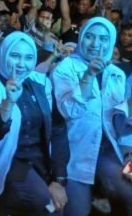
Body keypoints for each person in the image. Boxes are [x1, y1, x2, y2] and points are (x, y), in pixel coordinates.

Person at [0, 32, 70, 215]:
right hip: (7, 160)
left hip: (39, 157)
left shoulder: (41, 82)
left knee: (58, 205)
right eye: (15, 56)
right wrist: (8, 103)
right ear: (3, 54)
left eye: (29, 57)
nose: (22, 64)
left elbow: (57, 129)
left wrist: (59, 178)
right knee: (46, 202)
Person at [52, 17, 132, 216]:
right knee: (76, 212)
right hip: (74, 154)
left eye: (103, 39)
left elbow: (121, 118)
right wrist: (88, 75)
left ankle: (101, 191)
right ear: (81, 38)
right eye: (89, 37)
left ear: (112, 41)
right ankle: (93, 194)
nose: (96, 44)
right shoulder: (65, 67)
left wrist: (129, 151)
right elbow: (68, 112)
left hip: (108, 153)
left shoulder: (117, 74)